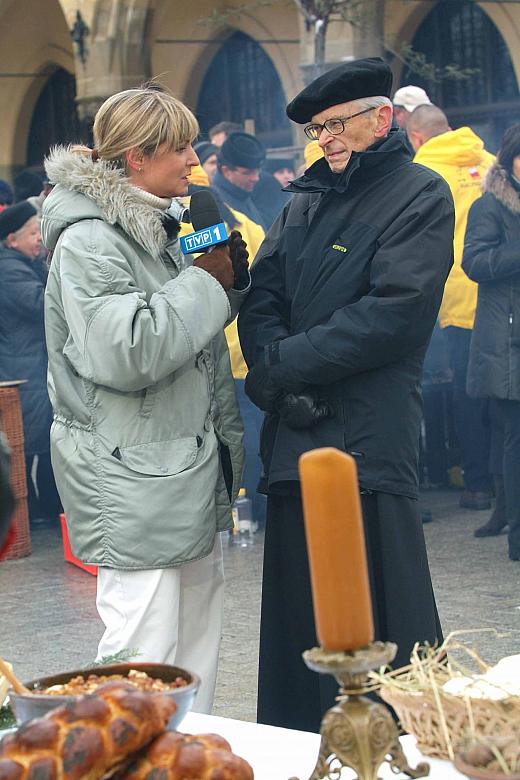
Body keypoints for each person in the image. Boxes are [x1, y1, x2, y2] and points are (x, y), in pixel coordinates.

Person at [238, 56, 454, 732]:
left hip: (366, 434)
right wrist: (271, 376)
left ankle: (408, 749)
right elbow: (262, 295)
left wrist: (287, 367)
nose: (324, 139)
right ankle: (304, 747)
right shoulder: (303, 198)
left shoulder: (420, 192)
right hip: (296, 436)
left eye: (335, 125)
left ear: (381, 118)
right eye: (314, 129)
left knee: (384, 612)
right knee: (301, 617)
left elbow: (395, 312)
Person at [41, 85, 247, 713]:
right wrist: (205, 283)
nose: (194, 161)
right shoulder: (89, 242)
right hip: (133, 482)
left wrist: (224, 283)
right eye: (181, 148)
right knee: (143, 659)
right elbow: (126, 351)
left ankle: (191, 757)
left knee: (193, 658)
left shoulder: (156, 225)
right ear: (135, 156)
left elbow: (189, 330)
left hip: (182, 472)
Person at [408, 104, 495, 511]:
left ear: (417, 138)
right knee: (505, 394)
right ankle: (504, 480)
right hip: (500, 296)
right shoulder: (491, 162)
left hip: (455, 301)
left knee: (466, 392)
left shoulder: (421, 175)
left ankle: (477, 482)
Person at [462, 123, 520, 557]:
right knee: (512, 437)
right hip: (507, 341)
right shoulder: (491, 205)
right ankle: (517, 532)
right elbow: (475, 262)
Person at [0, 201, 60, 525]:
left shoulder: (18, 265)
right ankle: (42, 510)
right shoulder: (10, 271)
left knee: (40, 448)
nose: (39, 239)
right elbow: (44, 305)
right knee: (36, 446)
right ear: (12, 240)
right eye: (32, 233)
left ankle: (44, 509)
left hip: (28, 368)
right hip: (24, 373)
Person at [212, 132, 269, 230]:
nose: (256, 178)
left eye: (257, 171)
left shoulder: (242, 193)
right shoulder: (216, 203)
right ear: (226, 171)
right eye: (247, 173)